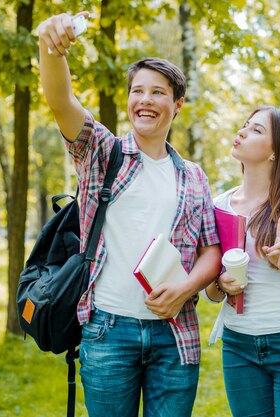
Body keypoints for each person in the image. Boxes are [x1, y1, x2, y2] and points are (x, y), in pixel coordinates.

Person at [37, 13, 222, 417]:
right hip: (108, 332)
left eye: (158, 93)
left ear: (177, 104)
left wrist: (185, 288)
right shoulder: (104, 154)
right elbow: (60, 100)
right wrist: (51, 48)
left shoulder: (193, 177)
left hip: (175, 337)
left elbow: (212, 251)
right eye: (137, 91)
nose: (145, 100)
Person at [202, 106, 280, 417]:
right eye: (245, 125)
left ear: (276, 152)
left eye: (257, 130)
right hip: (238, 345)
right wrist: (221, 284)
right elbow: (210, 292)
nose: (242, 132)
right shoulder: (218, 206)